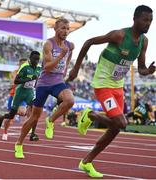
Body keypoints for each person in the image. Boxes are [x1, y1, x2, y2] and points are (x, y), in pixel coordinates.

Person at [67, 5, 155, 178]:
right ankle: (90, 115)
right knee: (121, 123)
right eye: (145, 20)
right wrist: (76, 69)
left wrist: (148, 71)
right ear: (135, 19)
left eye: (151, 20)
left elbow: (142, 68)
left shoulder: (144, 42)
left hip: (117, 86)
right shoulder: (120, 35)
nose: (148, 23)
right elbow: (89, 42)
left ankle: (86, 162)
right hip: (102, 84)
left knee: (115, 128)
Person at [14, 18, 75, 159]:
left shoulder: (69, 45)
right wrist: (61, 55)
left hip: (58, 81)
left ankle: (51, 120)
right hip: (43, 83)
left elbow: (70, 52)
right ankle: (19, 144)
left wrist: (66, 65)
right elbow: (46, 67)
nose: (66, 31)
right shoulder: (49, 44)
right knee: (34, 118)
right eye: (63, 28)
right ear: (55, 29)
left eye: (67, 28)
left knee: (70, 100)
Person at [0, 51, 41, 142]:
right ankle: (2, 118)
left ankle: (32, 134)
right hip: (19, 92)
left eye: (38, 59)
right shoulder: (23, 68)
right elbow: (16, 81)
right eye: (34, 59)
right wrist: (29, 79)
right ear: (30, 59)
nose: (36, 61)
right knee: (11, 115)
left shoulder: (39, 68)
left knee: (35, 111)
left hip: (30, 92)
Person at [2, 58, 27, 141]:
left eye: (25, 64)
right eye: (22, 64)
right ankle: (5, 132)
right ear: (19, 65)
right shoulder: (14, 72)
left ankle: (14, 114)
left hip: (22, 96)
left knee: (23, 112)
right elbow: (13, 83)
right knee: (9, 118)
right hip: (13, 96)